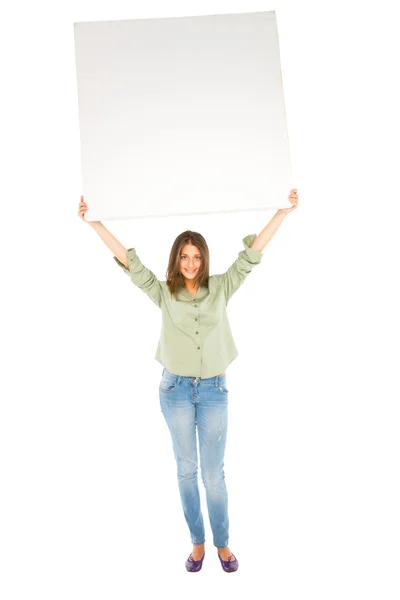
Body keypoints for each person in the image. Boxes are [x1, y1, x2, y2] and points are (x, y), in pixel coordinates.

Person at [77, 190, 299, 572]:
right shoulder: (163, 292)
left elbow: (252, 256)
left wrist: (282, 212)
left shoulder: (221, 288)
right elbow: (131, 264)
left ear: (204, 259)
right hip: (175, 391)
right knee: (186, 471)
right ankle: (197, 543)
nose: (191, 263)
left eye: (197, 257)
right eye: (185, 256)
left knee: (214, 475)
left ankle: (223, 543)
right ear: (176, 259)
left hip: (213, 391)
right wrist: (92, 221)